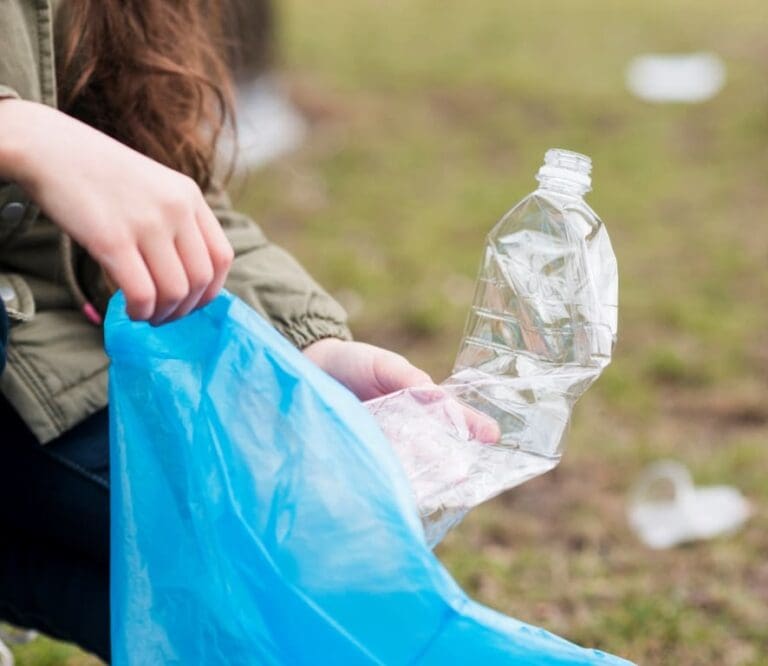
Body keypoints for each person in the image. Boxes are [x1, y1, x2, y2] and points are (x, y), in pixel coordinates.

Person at [0, 1, 440, 660]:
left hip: (34, 361)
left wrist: (308, 349)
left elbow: (158, 186)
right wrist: (19, 131)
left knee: (273, 584)